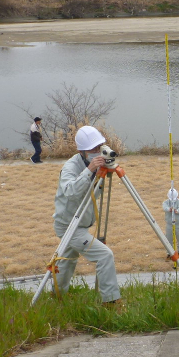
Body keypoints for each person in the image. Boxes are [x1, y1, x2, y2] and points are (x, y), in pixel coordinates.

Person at [51, 125, 122, 307]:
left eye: (99, 148)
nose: (97, 152)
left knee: (66, 263)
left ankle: (56, 297)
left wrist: (101, 170)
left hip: (79, 224)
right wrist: (90, 170)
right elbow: (71, 192)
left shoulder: (96, 163)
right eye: (92, 149)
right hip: (69, 226)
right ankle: (111, 301)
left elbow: (93, 193)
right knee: (105, 255)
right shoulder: (71, 167)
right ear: (82, 151)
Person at [162, 188, 179, 260]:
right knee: (169, 240)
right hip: (169, 224)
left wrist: (177, 210)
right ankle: (169, 253)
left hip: (178, 224)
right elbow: (165, 208)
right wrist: (169, 209)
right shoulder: (165, 202)